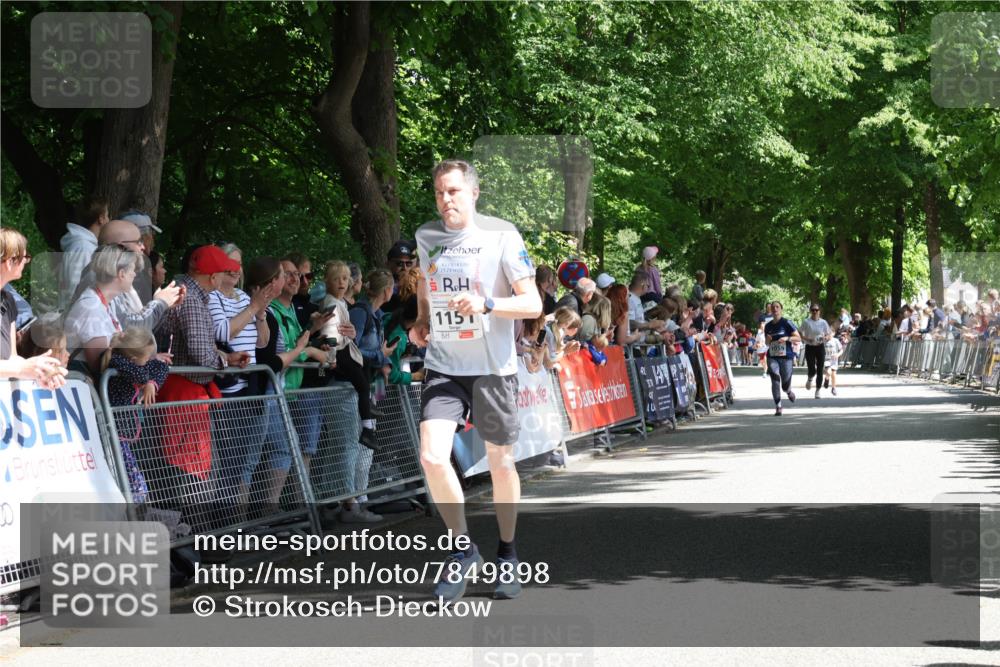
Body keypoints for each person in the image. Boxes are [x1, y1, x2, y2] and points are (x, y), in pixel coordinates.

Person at [409, 159, 542, 602]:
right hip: (445, 365)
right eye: (439, 193)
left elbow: (533, 304)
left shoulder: (501, 236)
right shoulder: (426, 236)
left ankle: (507, 552)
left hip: (493, 369)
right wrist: (422, 322)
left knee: (501, 465)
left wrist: (486, 305)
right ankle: (461, 549)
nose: (445, 200)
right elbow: (427, 289)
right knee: (431, 457)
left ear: (473, 194)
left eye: (453, 192)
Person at [208, 243, 278, 512]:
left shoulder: (242, 296)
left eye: (239, 263)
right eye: (229, 263)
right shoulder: (213, 297)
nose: (235, 269)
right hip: (227, 391)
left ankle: (240, 522)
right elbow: (223, 333)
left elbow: (262, 344)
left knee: (243, 462)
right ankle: (228, 524)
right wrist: (254, 307)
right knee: (226, 463)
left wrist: (260, 314)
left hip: (251, 388)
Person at [344, 268, 399, 523]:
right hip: (355, 386)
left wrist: (382, 358)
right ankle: (351, 502)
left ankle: (363, 497)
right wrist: (381, 356)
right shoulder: (360, 313)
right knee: (355, 443)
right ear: (387, 291)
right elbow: (350, 349)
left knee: (367, 445)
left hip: (371, 385)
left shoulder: (376, 315)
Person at [101, 327, 170, 504]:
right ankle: (133, 511)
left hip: (122, 432)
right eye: (146, 358)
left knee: (129, 475)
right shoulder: (117, 362)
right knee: (131, 480)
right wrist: (146, 380)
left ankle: (134, 509)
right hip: (112, 432)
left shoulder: (133, 362)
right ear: (133, 359)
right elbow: (140, 373)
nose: (149, 361)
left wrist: (152, 383)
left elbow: (161, 367)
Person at [319, 260, 378, 450]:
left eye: (345, 278)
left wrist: (351, 332)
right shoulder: (332, 303)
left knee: (363, 380)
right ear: (327, 281)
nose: (342, 283)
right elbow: (329, 332)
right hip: (339, 350)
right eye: (337, 279)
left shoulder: (340, 302)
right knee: (362, 385)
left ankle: (368, 410)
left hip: (344, 348)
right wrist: (332, 357)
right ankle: (367, 429)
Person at [0, 229, 67, 388]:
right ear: (10, 262)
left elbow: (11, 358)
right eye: (25, 257)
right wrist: (22, 369)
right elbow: (16, 367)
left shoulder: (7, 301)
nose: (26, 262)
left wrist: (40, 372)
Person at [64, 244, 142, 375]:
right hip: (86, 389)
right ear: (121, 274)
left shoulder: (101, 303)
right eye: (132, 270)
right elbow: (101, 367)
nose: (134, 274)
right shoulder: (91, 308)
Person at [59, 195, 109, 309]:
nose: (109, 220)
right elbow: (76, 287)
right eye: (107, 216)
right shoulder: (83, 248)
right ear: (101, 219)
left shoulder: (86, 246)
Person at [764, 301, 801, 416]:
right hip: (773, 356)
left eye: (777, 307)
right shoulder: (768, 325)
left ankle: (788, 391)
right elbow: (766, 343)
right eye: (773, 307)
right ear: (770, 310)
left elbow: (798, 338)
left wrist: (787, 338)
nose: (775, 309)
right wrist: (768, 340)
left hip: (786, 356)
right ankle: (778, 406)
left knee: (785, 383)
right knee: (775, 379)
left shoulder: (786, 323)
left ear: (781, 309)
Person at [799, 304, 832, 398]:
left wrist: (826, 337)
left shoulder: (823, 322)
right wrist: (807, 339)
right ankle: (810, 378)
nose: (814, 312)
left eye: (816, 310)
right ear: (810, 311)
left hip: (820, 347)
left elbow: (829, 334)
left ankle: (818, 390)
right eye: (813, 310)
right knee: (812, 368)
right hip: (810, 347)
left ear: (819, 311)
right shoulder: (806, 321)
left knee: (820, 369)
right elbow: (799, 332)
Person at [385, 239, 417, 313]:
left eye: (408, 263)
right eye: (399, 263)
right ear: (388, 264)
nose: (404, 268)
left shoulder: (417, 287)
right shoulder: (380, 288)